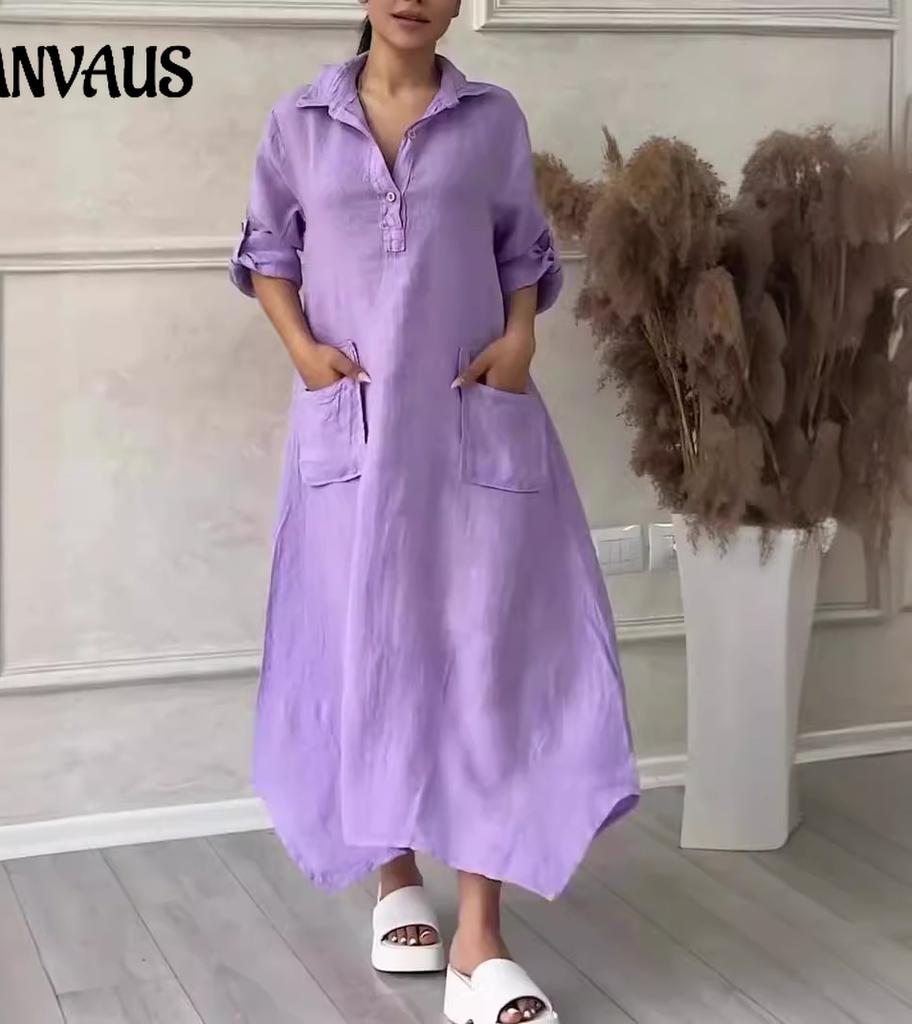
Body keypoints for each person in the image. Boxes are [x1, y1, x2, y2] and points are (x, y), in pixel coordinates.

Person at [228, 0, 641, 1019]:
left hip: (471, 423)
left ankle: (479, 940)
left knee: (485, 658)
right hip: (355, 433)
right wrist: (302, 351)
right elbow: (268, 252)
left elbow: (523, 253)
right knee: (366, 646)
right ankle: (394, 875)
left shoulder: (492, 118)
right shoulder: (298, 121)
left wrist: (520, 339)